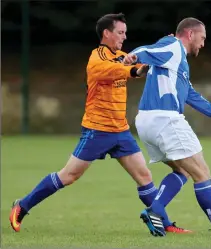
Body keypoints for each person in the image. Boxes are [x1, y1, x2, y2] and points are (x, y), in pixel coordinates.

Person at [9, 13, 191, 234]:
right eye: (120, 33)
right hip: (98, 129)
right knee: (69, 176)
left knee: (144, 177)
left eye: (125, 33)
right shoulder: (96, 59)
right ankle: (22, 206)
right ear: (107, 33)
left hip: (120, 130)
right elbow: (120, 70)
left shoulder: (124, 55)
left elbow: (144, 60)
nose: (124, 37)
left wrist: (166, 44)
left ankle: (165, 223)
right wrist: (135, 69)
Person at [123, 17, 211, 237]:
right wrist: (134, 56)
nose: (203, 44)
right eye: (202, 38)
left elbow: (190, 94)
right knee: (202, 173)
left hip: (146, 121)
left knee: (182, 171)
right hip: (165, 119)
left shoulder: (177, 61)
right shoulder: (173, 46)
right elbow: (148, 49)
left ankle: (156, 209)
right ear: (190, 34)